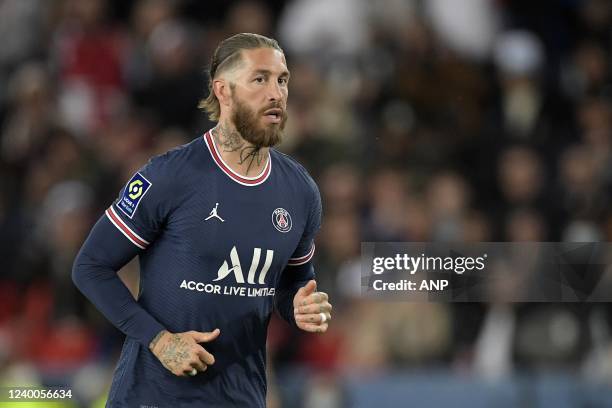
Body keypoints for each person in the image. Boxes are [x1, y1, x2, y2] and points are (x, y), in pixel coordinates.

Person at [72, 33, 332, 407]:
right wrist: (160, 341)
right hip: (154, 397)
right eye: (260, 79)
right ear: (223, 91)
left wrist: (300, 307)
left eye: (282, 79)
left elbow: (292, 284)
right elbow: (90, 267)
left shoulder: (301, 191)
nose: (276, 93)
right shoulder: (169, 176)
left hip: (242, 398)